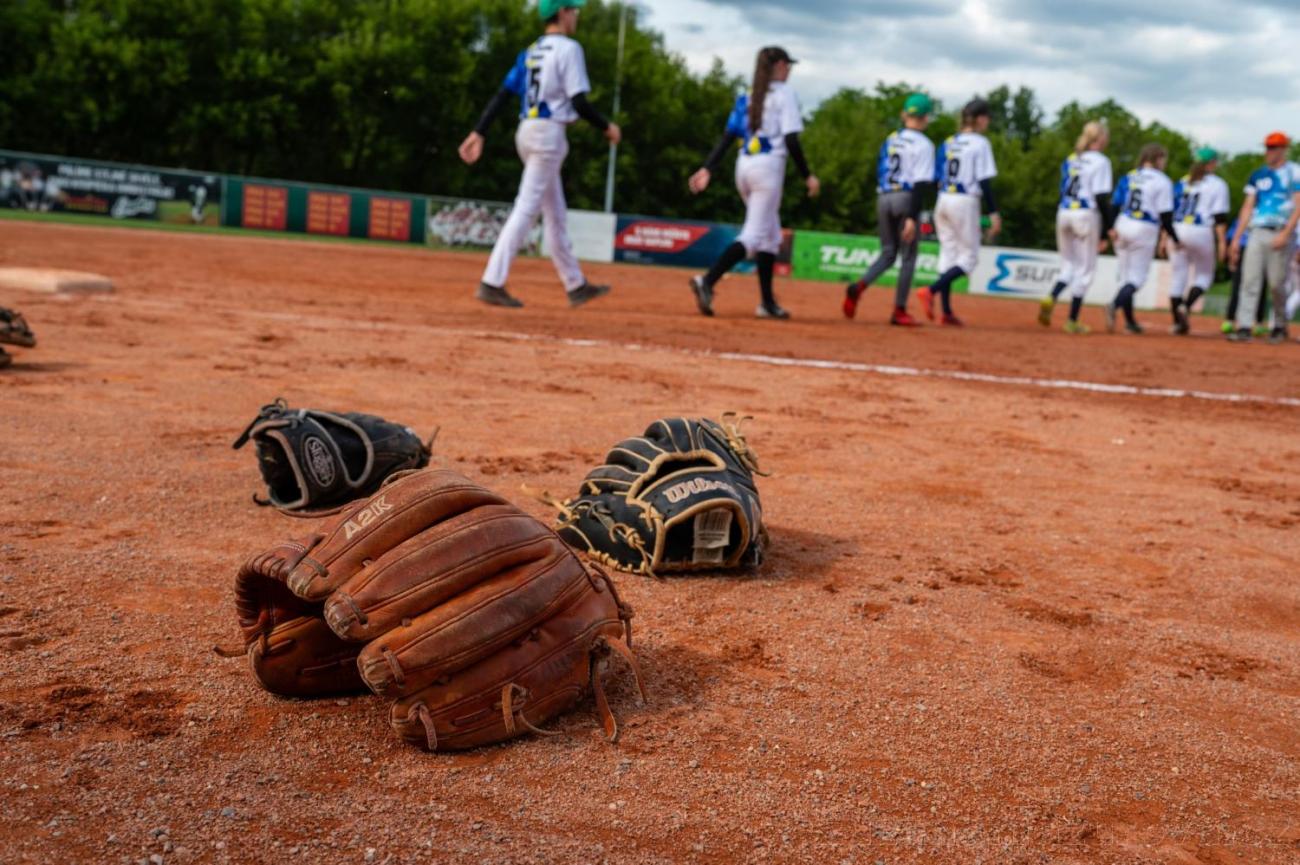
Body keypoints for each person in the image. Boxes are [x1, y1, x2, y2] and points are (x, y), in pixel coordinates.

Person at [457, 0, 619, 309]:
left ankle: (576, 285)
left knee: (554, 214)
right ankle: (492, 281)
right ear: (561, 13)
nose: (577, 15)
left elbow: (503, 94)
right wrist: (607, 127)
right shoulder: (569, 49)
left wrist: (480, 130)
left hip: (527, 130)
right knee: (526, 209)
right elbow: (580, 102)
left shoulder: (530, 52)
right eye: (573, 9)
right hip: (547, 134)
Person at [687, 46, 820, 320]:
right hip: (768, 169)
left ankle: (768, 304)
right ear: (780, 65)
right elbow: (792, 139)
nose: (790, 71)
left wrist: (707, 168)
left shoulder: (748, 95)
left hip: (743, 167)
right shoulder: (785, 94)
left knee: (770, 237)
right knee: (753, 236)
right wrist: (808, 174)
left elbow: (727, 136)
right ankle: (707, 281)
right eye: (788, 65)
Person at [842, 93, 936, 326]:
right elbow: (921, 183)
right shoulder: (924, 144)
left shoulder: (891, 139)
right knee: (909, 257)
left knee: (887, 252)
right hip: (906, 198)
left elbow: (879, 168)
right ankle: (899, 310)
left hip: (884, 196)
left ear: (905, 114)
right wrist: (913, 218)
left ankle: (859, 286)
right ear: (926, 118)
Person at [918, 98, 1001, 327]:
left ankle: (946, 312)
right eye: (987, 117)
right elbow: (984, 181)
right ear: (980, 118)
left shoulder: (949, 142)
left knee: (949, 254)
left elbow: (935, 177)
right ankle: (931, 291)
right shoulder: (980, 143)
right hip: (965, 200)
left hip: (943, 198)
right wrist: (994, 213)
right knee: (969, 258)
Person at [1039, 120, 1113, 334]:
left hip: (1063, 212)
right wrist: (1108, 228)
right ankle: (1072, 320)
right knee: (1085, 269)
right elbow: (1101, 197)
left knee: (1068, 265)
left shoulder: (1072, 159)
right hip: (1085, 215)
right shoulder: (1101, 161)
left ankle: (1051, 296)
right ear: (1100, 139)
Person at [1227, 131, 1300, 343]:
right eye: (1267, 147)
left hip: (1281, 232)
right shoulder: (1258, 175)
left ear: (1284, 149)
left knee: (1277, 283)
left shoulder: (1294, 173)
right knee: (1250, 280)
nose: (1269, 152)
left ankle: (1279, 324)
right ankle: (1245, 326)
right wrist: (1236, 238)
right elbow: (1248, 206)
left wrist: (1287, 233)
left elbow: (1298, 204)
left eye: (1274, 147)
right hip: (1257, 231)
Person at [1104, 144, 1178, 335]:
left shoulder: (1130, 176)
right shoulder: (1162, 181)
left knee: (1125, 277)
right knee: (1137, 278)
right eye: (1163, 159)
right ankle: (1114, 304)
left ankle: (1130, 322)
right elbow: (1166, 217)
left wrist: (1110, 227)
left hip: (1122, 223)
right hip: (1144, 227)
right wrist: (1175, 238)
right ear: (1157, 159)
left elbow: (1114, 204)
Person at [1165, 148, 1230, 334]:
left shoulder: (1183, 182)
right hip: (1200, 231)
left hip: (1176, 229)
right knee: (1204, 276)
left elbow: (1168, 213)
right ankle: (1186, 306)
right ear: (1213, 163)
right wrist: (1222, 243)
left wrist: (1164, 237)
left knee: (1178, 278)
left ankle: (1178, 323)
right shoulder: (1217, 184)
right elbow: (1219, 218)